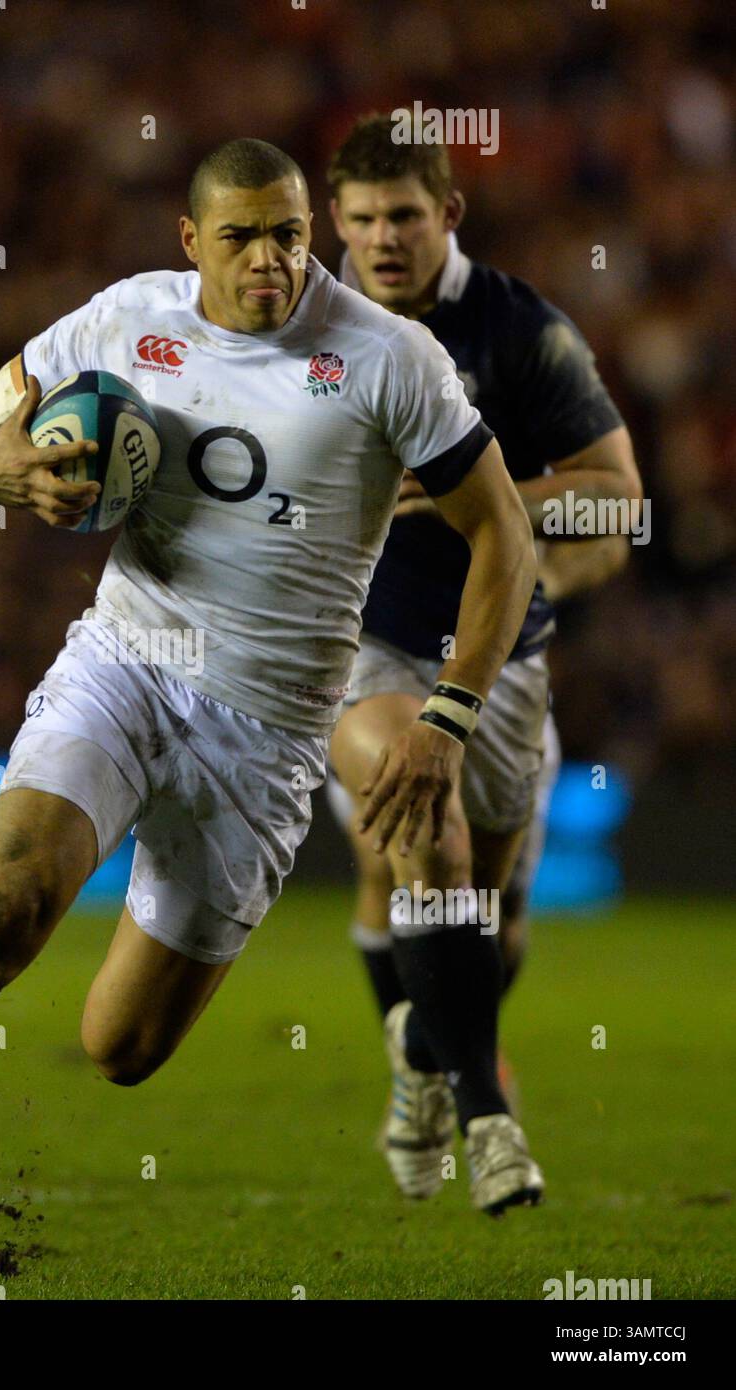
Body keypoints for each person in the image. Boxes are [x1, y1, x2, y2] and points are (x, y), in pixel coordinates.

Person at [0, 137, 539, 1293]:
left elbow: (504, 531)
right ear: (189, 240)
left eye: (291, 234)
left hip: (268, 736)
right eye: (244, 235)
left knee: (120, 1051)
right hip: (127, 663)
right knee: (6, 899)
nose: (272, 260)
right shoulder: (125, 321)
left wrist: (448, 714)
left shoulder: (387, 357)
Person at [323, 114, 640, 1201]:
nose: (384, 238)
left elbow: (621, 496)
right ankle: (488, 1113)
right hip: (361, 645)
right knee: (428, 842)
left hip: (501, 648)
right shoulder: (305, 327)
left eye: (404, 214)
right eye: (361, 219)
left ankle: (421, 1055)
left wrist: (494, 484)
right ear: (336, 222)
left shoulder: (518, 327)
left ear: (447, 212)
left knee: (490, 928)